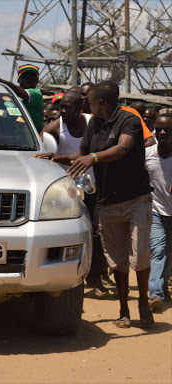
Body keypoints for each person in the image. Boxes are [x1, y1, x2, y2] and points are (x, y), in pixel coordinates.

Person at [44, 81, 154, 328]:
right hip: (108, 202)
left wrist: (93, 158)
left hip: (136, 199)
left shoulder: (129, 120)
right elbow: (80, 154)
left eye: (90, 102)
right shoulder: (94, 124)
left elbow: (122, 148)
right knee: (118, 261)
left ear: (100, 102)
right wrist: (57, 157)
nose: (88, 106)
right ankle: (124, 309)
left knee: (140, 255)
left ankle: (144, 302)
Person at [39, 91, 109, 298]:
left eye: (67, 107)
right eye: (61, 107)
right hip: (66, 191)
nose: (62, 111)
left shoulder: (93, 122)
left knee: (96, 233)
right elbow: (43, 154)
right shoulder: (54, 128)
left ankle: (95, 278)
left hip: (93, 187)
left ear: (80, 108)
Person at [145, 113, 172, 312]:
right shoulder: (147, 154)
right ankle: (155, 294)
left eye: (167, 129)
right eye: (159, 129)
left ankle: (163, 286)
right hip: (155, 210)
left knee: (169, 253)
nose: (162, 132)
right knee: (158, 250)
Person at [0, 64, 44, 132]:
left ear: (36, 81)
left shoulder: (36, 94)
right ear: (19, 80)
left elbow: (14, 88)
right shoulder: (15, 99)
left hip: (34, 140)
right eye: (25, 77)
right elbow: (8, 114)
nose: (29, 80)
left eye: (32, 78)